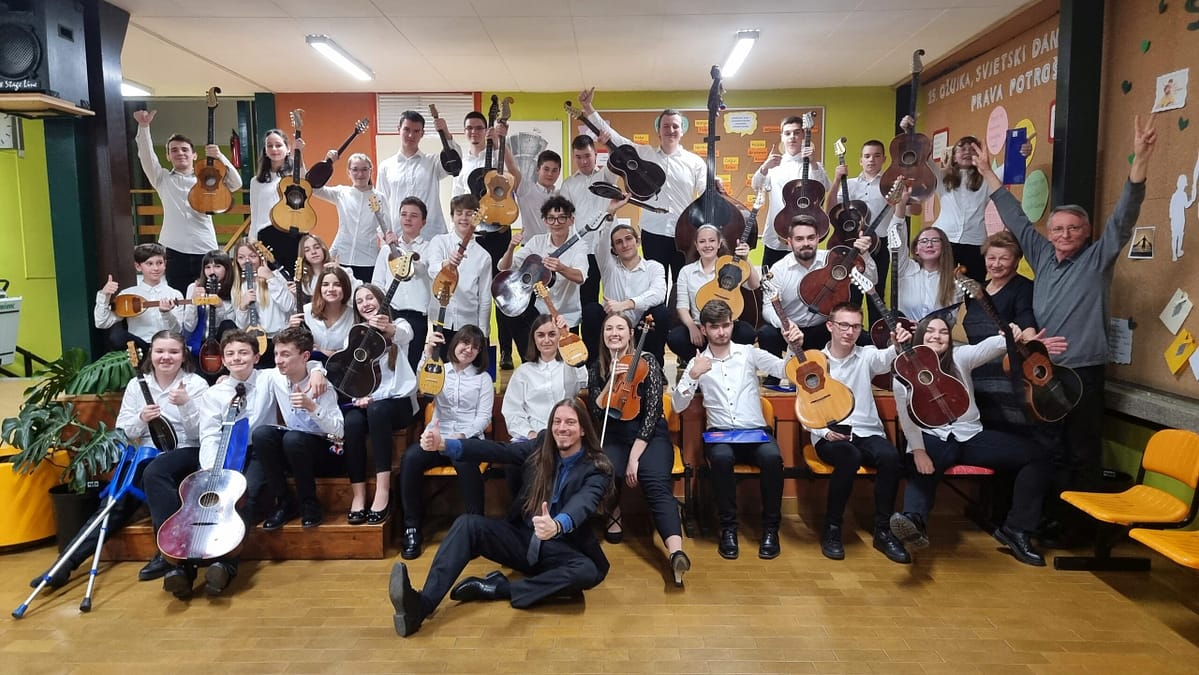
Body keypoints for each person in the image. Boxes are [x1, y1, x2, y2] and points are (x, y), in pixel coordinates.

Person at [976, 115, 1158, 542]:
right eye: (1057, 228)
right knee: (1048, 450)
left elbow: (1125, 214)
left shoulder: (1098, 257)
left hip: (1085, 374)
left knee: (1082, 452)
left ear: (1087, 231)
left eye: (1073, 228)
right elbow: (1016, 219)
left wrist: (1141, 158)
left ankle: (1080, 531)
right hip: (1044, 373)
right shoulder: (1040, 255)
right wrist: (987, 172)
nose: (1064, 234)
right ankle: (1048, 521)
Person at [389, 398, 614, 637]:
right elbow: (499, 450)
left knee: (587, 571)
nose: (562, 428)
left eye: (570, 422)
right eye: (557, 421)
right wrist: (444, 444)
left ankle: (501, 588)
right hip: (523, 540)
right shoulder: (541, 445)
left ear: (582, 429)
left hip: (561, 550)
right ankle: (420, 606)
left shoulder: (597, 468)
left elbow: (583, 503)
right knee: (468, 525)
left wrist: (558, 525)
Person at [145, 330, 326, 598]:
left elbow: (301, 363)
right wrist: (211, 470)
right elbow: (209, 434)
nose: (236, 358)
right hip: (223, 452)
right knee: (203, 499)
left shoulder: (268, 378)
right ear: (223, 360)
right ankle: (182, 567)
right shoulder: (214, 393)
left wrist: (317, 370)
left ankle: (225, 564)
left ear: (256, 357)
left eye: (243, 353)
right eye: (230, 354)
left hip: (258, 451)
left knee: (243, 496)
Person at [29, 330, 209, 589]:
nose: (166, 357)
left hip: (185, 451)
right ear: (150, 354)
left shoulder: (195, 385)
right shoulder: (137, 385)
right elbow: (124, 431)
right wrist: (141, 419)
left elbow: (201, 434)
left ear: (183, 356)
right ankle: (64, 564)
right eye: (160, 351)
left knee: (155, 471)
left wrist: (186, 405)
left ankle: (167, 552)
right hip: (147, 455)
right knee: (113, 502)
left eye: (173, 351)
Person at [889, 316, 1055, 566]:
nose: (937, 336)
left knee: (1038, 455)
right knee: (922, 464)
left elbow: (990, 347)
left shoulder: (961, 357)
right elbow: (906, 417)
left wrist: (1009, 334)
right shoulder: (904, 371)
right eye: (930, 331)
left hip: (970, 436)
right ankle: (914, 521)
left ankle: (1017, 530)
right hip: (932, 436)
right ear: (919, 336)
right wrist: (918, 450)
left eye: (943, 332)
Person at [672, 299, 799, 560]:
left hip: (755, 431)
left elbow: (784, 369)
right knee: (720, 458)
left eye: (726, 325)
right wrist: (693, 375)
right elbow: (677, 405)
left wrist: (793, 345)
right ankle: (728, 529)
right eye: (715, 327)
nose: (722, 332)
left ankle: (770, 530)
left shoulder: (748, 353)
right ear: (703, 329)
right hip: (720, 434)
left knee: (773, 458)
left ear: (732, 325)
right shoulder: (698, 361)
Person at [589, 313, 690, 585]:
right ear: (603, 335)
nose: (614, 333)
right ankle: (615, 514)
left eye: (620, 328)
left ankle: (676, 552)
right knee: (607, 471)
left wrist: (635, 456)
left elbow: (653, 412)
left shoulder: (648, 362)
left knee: (655, 482)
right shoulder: (597, 367)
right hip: (615, 434)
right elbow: (597, 413)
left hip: (649, 435)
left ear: (630, 333)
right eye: (609, 328)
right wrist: (610, 382)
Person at [809, 302, 911, 565]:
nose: (849, 332)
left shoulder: (867, 355)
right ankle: (832, 529)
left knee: (890, 457)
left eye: (855, 326)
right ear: (830, 326)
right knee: (849, 457)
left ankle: (883, 531)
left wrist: (897, 344)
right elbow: (804, 407)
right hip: (829, 434)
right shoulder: (815, 361)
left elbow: (887, 357)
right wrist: (823, 432)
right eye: (843, 325)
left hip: (866, 431)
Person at [578, 87, 705, 284]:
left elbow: (705, 194)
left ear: (682, 130)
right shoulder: (644, 153)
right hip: (652, 232)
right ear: (658, 130)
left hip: (684, 234)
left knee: (684, 286)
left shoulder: (695, 162)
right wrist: (588, 108)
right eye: (666, 126)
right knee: (655, 286)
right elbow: (612, 136)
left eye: (675, 126)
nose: (670, 130)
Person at [399, 325, 493, 559]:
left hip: (466, 438)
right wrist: (427, 352)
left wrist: (463, 435)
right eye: (465, 343)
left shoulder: (482, 379)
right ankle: (412, 528)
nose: (469, 349)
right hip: (437, 436)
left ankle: (476, 530)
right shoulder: (439, 369)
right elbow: (422, 383)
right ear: (455, 343)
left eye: (475, 347)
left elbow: (484, 417)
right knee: (411, 458)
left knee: (465, 461)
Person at [132, 109, 241, 293]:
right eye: (174, 150)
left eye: (184, 149)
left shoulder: (208, 179)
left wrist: (220, 156)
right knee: (179, 297)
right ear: (168, 156)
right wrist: (144, 127)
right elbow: (147, 156)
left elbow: (236, 184)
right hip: (174, 250)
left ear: (194, 155)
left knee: (209, 296)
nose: (180, 153)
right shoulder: (162, 179)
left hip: (205, 247)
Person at [252, 326, 344, 530]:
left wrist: (312, 407)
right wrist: (226, 379)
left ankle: (309, 503)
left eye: (285, 354)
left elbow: (339, 432)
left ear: (305, 357)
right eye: (276, 354)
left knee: (293, 438)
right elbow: (249, 373)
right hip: (293, 450)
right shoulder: (274, 376)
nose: (278, 360)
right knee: (262, 434)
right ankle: (284, 502)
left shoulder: (321, 385)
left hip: (325, 452)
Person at [340, 284, 418, 525]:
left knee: (377, 410)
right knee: (352, 422)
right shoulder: (354, 335)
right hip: (368, 403)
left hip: (398, 403)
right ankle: (358, 494)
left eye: (370, 298)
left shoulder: (401, 325)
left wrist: (388, 328)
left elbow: (404, 334)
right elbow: (352, 376)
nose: (365, 304)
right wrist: (358, 397)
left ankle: (383, 490)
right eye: (360, 301)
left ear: (381, 300)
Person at [759, 217, 875, 362]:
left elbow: (871, 281)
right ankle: (777, 374)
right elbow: (768, 307)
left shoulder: (833, 259)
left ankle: (845, 370)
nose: (806, 243)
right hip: (791, 330)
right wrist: (785, 324)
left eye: (811, 238)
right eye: (799, 239)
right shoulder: (779, 269)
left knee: (864, 340)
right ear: (789, 242)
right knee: (766, 334)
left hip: (824, 329)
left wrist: (865, 255)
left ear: (818, 238)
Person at [498, 195, 590, 354]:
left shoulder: (579, 245)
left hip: (567, 316)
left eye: (562, 218)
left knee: (564, 359)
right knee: (508, 306)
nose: (556, 223)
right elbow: (504, 267)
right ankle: (527, 358)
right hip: (539, 313)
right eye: (551, 218)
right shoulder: (536, 242)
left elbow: (580, 277)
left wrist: (561, 268)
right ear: (545, 221)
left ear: (571, 220)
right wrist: (511, 247)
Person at [669, 224, 758, 366]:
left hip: (728, 327)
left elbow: (754, 285)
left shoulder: (732, 266)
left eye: (711, 241)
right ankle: (697, 363)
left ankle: (729, 364)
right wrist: (692, 327)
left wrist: (746, 259)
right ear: (696, 245)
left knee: (747, 333)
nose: (707, 245)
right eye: (702, 241)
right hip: (700, 329)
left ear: (719, 243)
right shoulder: (686, 271)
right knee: (676, 338)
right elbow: (682, 307)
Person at [581, 223, 669, 366]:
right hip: (613, 327)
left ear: (637, 241)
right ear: (613, 249)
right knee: (591, 311)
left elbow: (658, 293)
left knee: (661, 313)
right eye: (618, 242)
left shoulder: (654, 267)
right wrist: (609, 217)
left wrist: (625, 305)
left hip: (642, 328)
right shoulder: (608, 265)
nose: (625, 245)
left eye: (628, 239)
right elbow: (600, 243)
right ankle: (595, 367)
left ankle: (655, 366)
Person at [752, 115, 832, 268]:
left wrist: (814, 163)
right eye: (787, 133)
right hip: (776, 235)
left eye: (796, 132)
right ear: (782, 137)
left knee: (805, 280)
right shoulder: (775, 165)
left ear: (803, 135)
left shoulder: (813, 165)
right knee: (770, 279)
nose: (792, 137)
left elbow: (825, 187)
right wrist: (765, 167)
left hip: (804, 238)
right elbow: (756, 185)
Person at [828, 139, 893, 324]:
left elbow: (911, 210)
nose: (871, 160)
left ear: (884, 159)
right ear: (860, 160)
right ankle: (852, 331)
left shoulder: (889, 185)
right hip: (851, 245)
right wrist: (836, 180)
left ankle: (875, 334)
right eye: (867, 156)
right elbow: (830, 210)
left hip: (880, 245)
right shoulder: (849, 184)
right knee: (851, 293)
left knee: (876, 294)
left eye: (876, 156)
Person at [377, 110, 460, 240]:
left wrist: (446, 133)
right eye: (406, 129)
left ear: (422, 133)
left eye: (416, 131)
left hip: (432, 235)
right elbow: (380, 203)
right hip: (399, 236)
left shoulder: (433, 162)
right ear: (398, 129)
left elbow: (456, 162)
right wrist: (384, 233)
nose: (411, 135)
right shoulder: (386, 167)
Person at [424, 194, 492, 350]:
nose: (464, 218)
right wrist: (448, 262)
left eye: (469, 214)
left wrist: (483, 333)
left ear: (477, 218)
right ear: (452, 216)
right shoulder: (439, 242)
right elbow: (432, 271)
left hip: (468, 323)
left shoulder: (484, 256)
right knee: (442, 363)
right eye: (459, 213)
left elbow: (485, 298)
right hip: (441, 319)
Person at [502, 314, 586, 441]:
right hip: (532, 439)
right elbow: (512, 411)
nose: (546, 340)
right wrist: (530, 434)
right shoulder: (523, 372)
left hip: (564, 437)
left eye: (552, 334)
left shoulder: (568, 366)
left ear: (559, 336)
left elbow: (583, 381)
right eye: (541, 335)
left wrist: (567, 338)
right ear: (534, 339)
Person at [371, 196, 432, 371]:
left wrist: (399, 249)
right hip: (391, 313)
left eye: (414, 215)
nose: (407, 219)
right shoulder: (386, 250)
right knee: (387, 364)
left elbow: (419, 270)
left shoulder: (430, 247)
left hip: (417, 316)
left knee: (411, 365)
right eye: (404, 214)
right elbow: (377, 284)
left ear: (423, 222)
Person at [559, 133, 618, 307]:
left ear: (595, 154)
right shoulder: (568, 184)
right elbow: (565, 219)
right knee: (587, 300)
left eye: (587, 156)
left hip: (609, 246)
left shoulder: (606, 176)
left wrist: (608, 144)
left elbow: (616, 161)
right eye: (578, 157)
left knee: (613, 295)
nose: (584, 161)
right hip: (583, 249)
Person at [94, 242, 185, 352]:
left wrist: (166, 314)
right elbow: (102, 322)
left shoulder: (174, 294)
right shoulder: (127, 295)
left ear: (165, 264)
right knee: (117, 336)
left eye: (159, 263)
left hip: (166, 347)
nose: (155, 268)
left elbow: (177, 331)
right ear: (138, 266)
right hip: (139, 348)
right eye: (149, 264)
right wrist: (104, 295)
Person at [312, 151, 385, 282]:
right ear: (348, 172)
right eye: (355, 169)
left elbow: (387, 228)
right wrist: (327, 164)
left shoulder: (379, 197)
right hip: (342, 257)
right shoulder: (342, 193)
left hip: (369, 260)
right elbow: (314, 188)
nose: (360, 174)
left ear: (371, 171)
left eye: (364, 169)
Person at [927, 129, 989, 282]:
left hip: (976, 242)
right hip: (945, 240)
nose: (967, 152)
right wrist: (911, 131)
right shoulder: (943, 177)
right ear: (954, 155)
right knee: (941, 286)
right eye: (962, 148)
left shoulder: (987, 178)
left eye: (972, 149)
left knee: (975, 288)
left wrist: (1021, 152)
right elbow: (926, 160)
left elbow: (1009, 168)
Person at [231, 241, 296, 367]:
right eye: (241, 257)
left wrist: (270, 278)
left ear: (261, 257)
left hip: (281, 338)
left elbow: (288, 306)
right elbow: (242, 326)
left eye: (252, 256)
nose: (247, 261)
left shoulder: (277, 277)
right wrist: (243, 306)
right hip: (256, 342)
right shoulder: (238, 287)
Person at [248, 128, 304, 275]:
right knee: (272, 278)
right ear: (265, 150)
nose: (274, 149)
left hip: (292, 233)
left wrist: (299, 154)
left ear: (288, 148)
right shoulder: (256, 181)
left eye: (278, 145)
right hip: (266, 235)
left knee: (295, 277)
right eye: (270, 146)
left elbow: (305, 182)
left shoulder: (294, 175)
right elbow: (255, 211)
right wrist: (252, 238)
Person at [889, 208, 960, 322]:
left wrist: (927, 329)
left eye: (935, 240)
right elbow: (895, 237)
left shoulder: (953, 281)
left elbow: (950, 320)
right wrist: (901, 205)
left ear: (943, 247)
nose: (929, 245)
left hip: (935, 333)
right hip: (904, 331)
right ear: (916, 249)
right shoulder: (905, 268)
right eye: (924, 241)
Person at [180, 250, 237, 361]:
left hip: (224, 344)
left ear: (227, 268)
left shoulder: (235, 289)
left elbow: (230, 327)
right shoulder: (194, 287)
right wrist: (193, 302)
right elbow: (189, 326)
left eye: (217, 266)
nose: (212, 272)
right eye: (208, 267)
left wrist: (220, 308)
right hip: (198, 342)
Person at [291, 266, 355, 355]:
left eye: (337, 284)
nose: (331, 289)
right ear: (319, 288)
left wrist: (325, 352)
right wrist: (290, 329)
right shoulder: (305, 311)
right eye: (325, 284)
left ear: (345, 288)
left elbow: (353, 352)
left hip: (340, 363)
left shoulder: (354, 316)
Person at [451, 110, 497, 198]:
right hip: (470, 207)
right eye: (469, 128)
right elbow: (456, 195)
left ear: (486, 131)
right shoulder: (461, 164)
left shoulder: (496, 157)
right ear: (464, 131)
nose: (474, 131)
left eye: (479, 128)